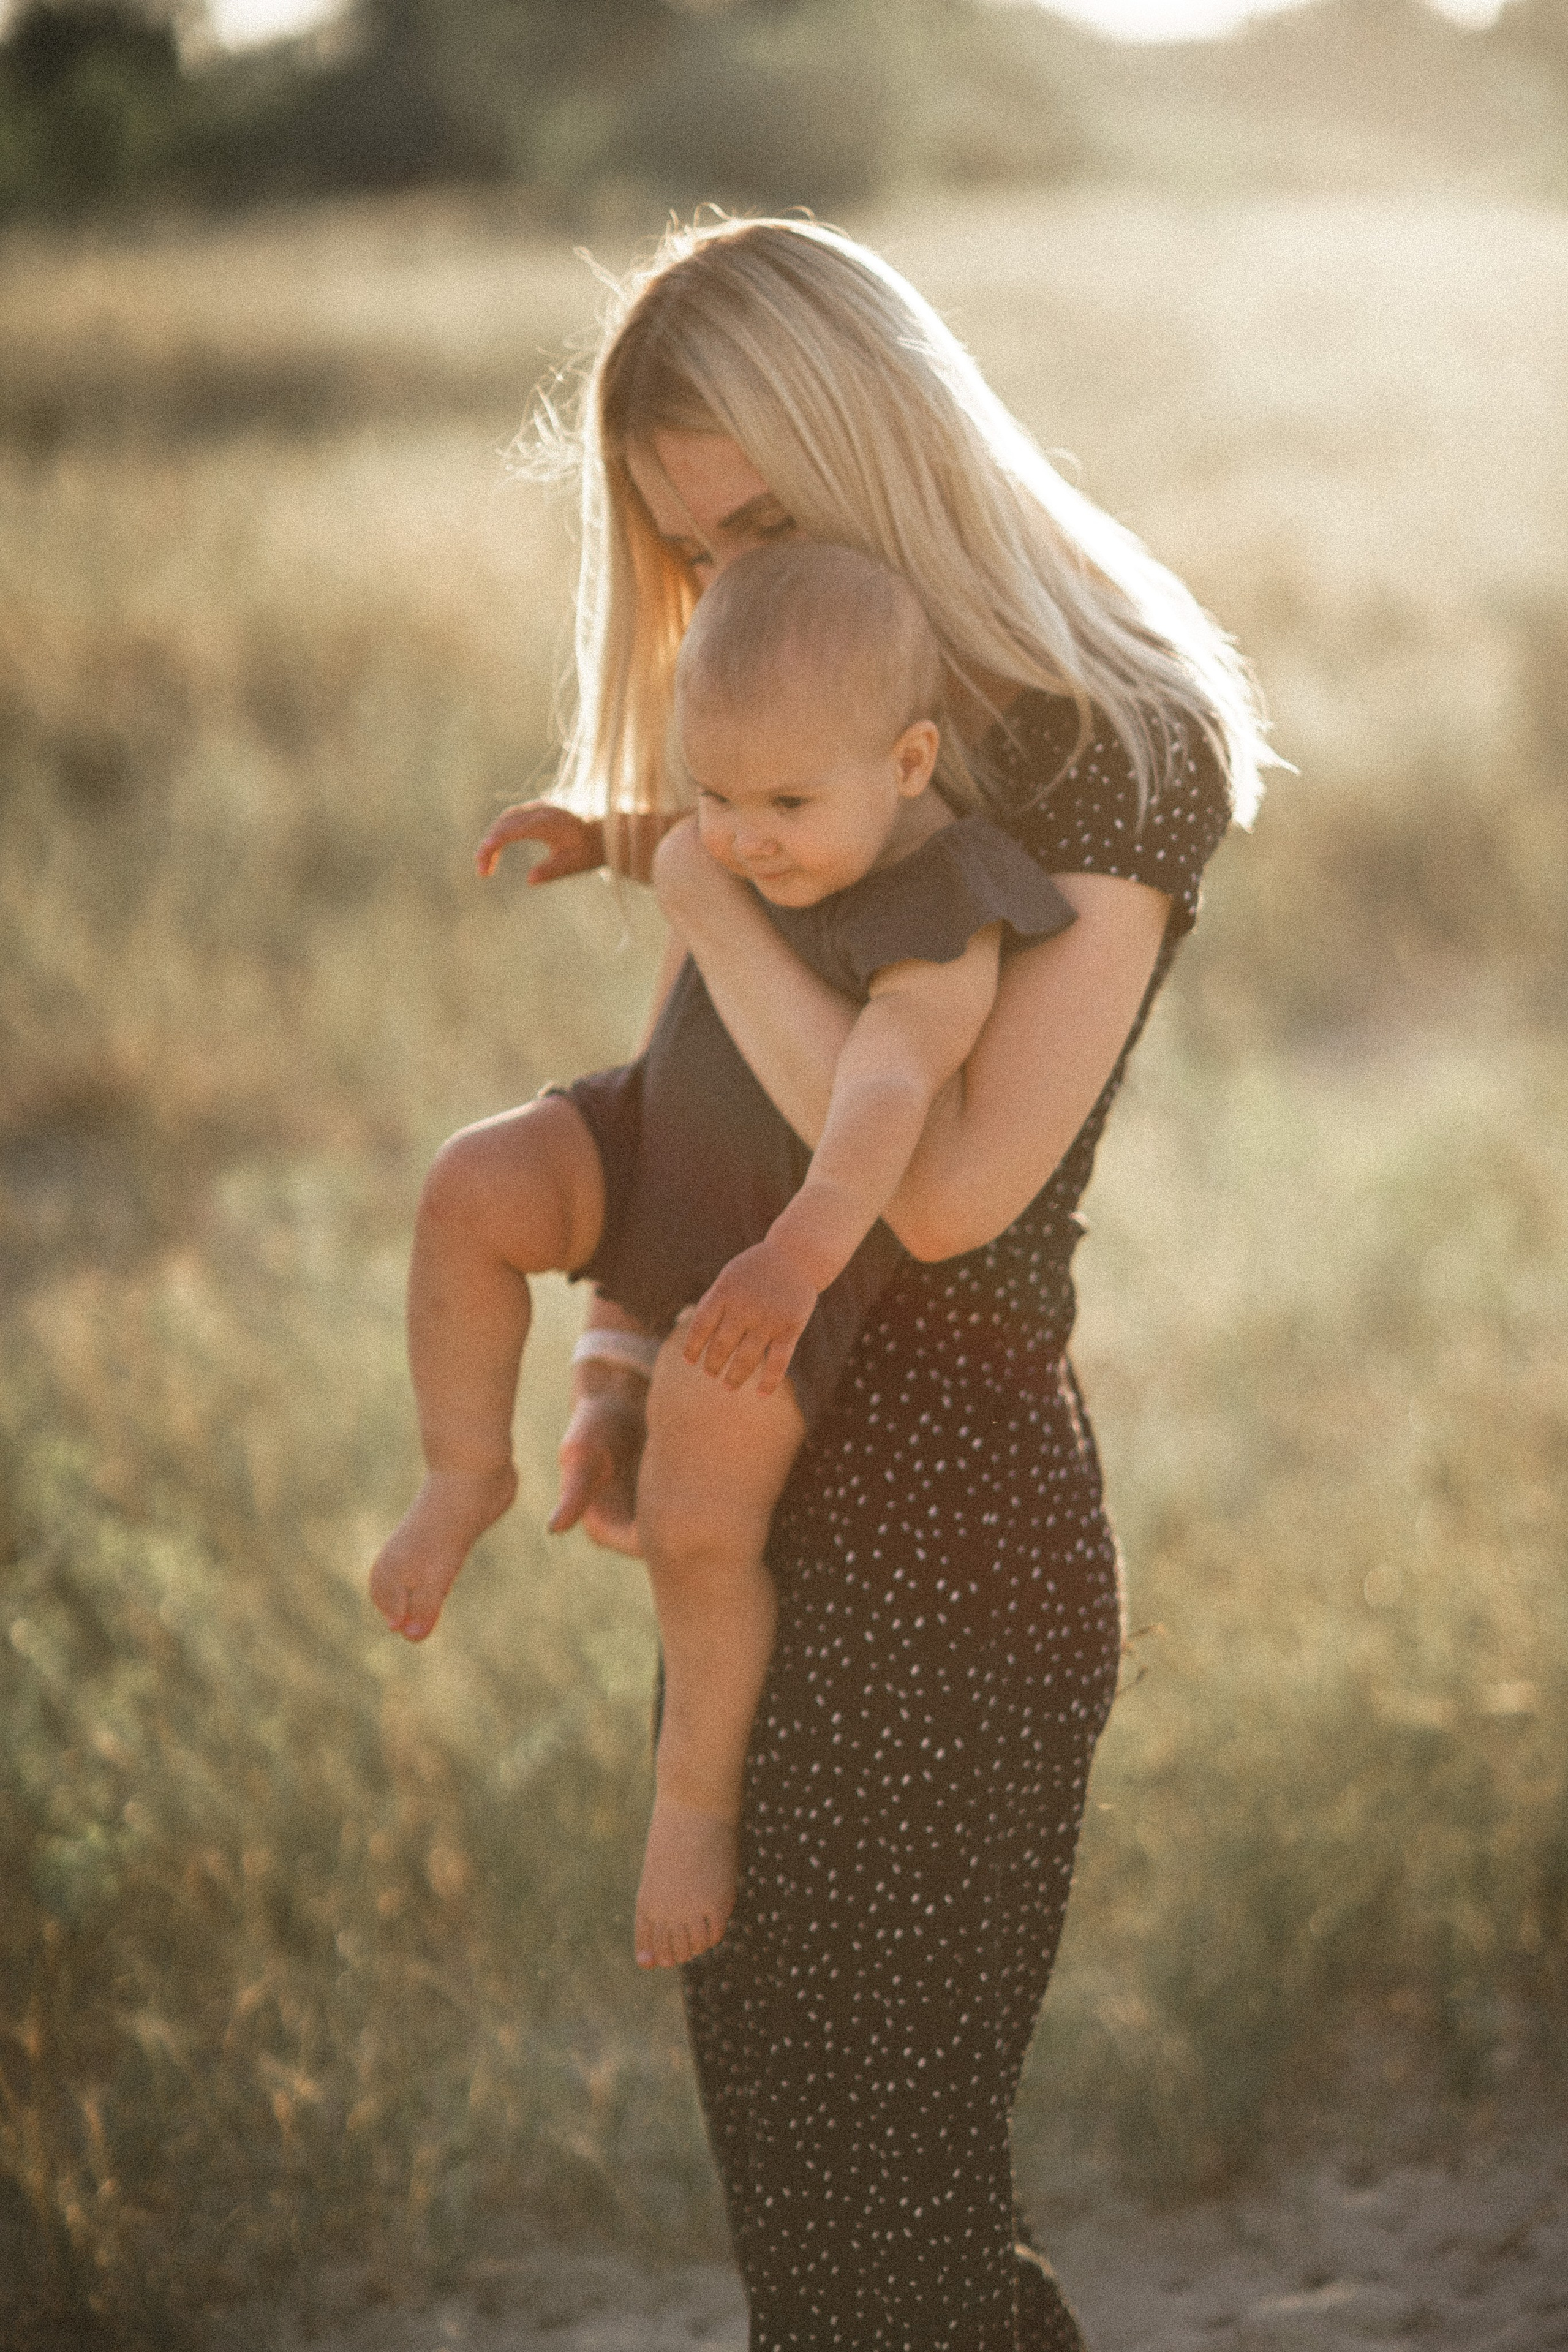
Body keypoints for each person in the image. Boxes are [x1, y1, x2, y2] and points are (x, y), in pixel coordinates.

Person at [460, 216, 1268, 2351]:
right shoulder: (776, 738)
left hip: (954, 1543)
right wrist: (615, 1355)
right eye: (688, 552)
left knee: (898, 2244)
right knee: (810, 2256)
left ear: (885, 446)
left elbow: (953, 1196)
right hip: (759, 1487)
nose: (730, 590)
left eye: (766, 520)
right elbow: (705, 1107)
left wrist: (711, 891)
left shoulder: (1117, 740)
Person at [370, 537, 1076, 1973]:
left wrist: (797, 1258)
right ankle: (463, 1473)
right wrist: (612, 833)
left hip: (788, 1249)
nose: (745, 837)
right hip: (644, 1145)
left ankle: (689, 1805)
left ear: (908, 758)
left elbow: (889, 1098)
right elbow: (721, 822)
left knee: (698, 1515)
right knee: (470, 1186)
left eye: (784, 804)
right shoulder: (782, 811)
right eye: (713, 795)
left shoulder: (947, 906)